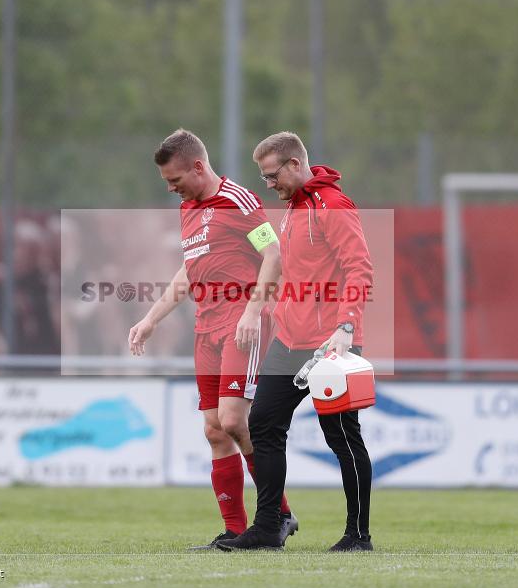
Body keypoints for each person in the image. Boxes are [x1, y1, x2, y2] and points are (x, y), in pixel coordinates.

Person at [128, 129, 297, 549]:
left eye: (175, 180)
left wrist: (253, 311)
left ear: (198, 167)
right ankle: (237, 529)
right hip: (206, 328)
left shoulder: (237, 200)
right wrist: (151, 319)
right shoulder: (188, 208)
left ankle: (276, 516)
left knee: (234, 421)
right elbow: (190, 271)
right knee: (215, 431)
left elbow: (273, 253)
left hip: (241, 324)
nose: (171, 188)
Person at [217, 132, 375, 552]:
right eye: (264, 178)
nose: (270, 184)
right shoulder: (294, 208)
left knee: (342, 437)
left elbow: (359, 268)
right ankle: (270, 526)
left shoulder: (333, 205)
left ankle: (358, 535)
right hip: (288, 342)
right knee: (263, 423)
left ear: (294, 164)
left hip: (330, 344)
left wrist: (346, 327)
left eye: (273, 176)